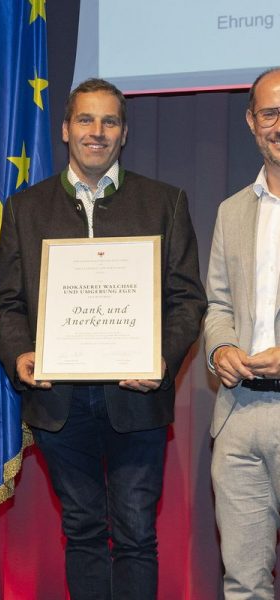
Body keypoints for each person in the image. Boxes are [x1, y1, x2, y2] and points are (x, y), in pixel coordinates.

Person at [0, 78, 206, 599]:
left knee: (135, 534)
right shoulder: (26, 208)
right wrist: (21, 354)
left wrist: (161, 357)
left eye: (109, 122)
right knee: (82, 532)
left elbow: (187, 300)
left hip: (136, 399)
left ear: (124, 134)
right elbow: (7, 303)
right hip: (60, 403)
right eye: (85, 120)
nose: (97, 132)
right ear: (66, 129)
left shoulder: (164, 202)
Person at [204, 67, 280, 598]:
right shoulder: (232, 210)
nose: (279, 124)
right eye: (270, 112)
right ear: (252, 121)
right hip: (236, 415)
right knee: (243, 582)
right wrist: (221, 347)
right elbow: (218, 303)